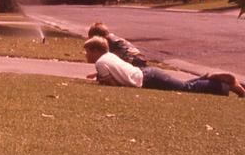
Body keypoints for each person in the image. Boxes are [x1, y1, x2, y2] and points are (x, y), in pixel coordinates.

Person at [83, 36, 245, 97]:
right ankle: (211, 79)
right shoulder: (108, 57)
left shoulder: (101, 62)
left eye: (88, 51)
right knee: (186, 85)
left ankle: (223, 85)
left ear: (96, 51)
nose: (86, 55)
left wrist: (100, 80)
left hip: (147, 78)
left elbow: (112, 84)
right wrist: (98, 76)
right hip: (148, 74)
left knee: (186, 88)